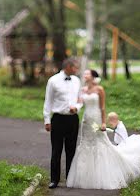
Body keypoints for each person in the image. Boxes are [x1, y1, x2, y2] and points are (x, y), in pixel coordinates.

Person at [66, 69, 140, 189]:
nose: (85, 75)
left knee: (100, 143)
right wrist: (74, 108)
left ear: (93, 77)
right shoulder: (83, 90)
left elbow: (102, 107)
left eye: (87, 74)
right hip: (86, 121)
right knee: (85, 143)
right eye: (84, 74)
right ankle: (85, 176)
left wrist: (103, 122)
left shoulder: (99, 89)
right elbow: (79, 103)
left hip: (96, 119)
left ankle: (104, 172)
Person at [43, 57, 82, 189]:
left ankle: (70, 179)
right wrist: (47, 120)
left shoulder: (77, 81)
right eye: (75, 67)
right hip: (58, 119)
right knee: (56, 150)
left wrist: (77, 107)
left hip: (73, 119)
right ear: (68, 67)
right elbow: (48, 101)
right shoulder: (53, 81)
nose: (77, 69)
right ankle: (54, 179)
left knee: (71, 150)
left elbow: (80, 99)